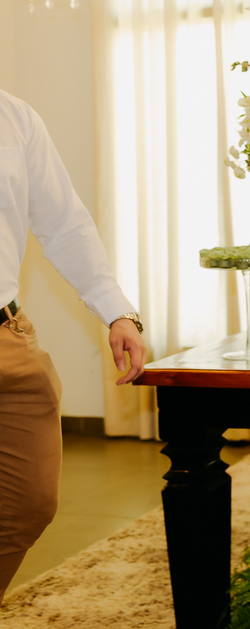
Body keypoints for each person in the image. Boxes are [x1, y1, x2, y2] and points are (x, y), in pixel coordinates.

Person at [0, 89, 146, 602]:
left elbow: (64, 223)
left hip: (8, 334)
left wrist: (116, 311)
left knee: (29, 503)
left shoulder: (14, 116)